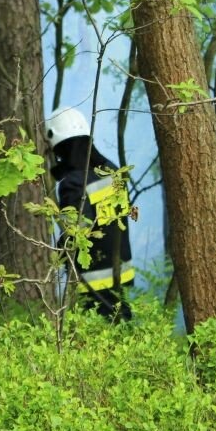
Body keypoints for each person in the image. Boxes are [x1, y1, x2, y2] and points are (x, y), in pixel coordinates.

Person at [45, 105, 135, 322]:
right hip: (122, 271)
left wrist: (57, 255)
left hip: (93, 281)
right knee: (123, 328)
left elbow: (76, 234)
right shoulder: (112, 170)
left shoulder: (73, 183)